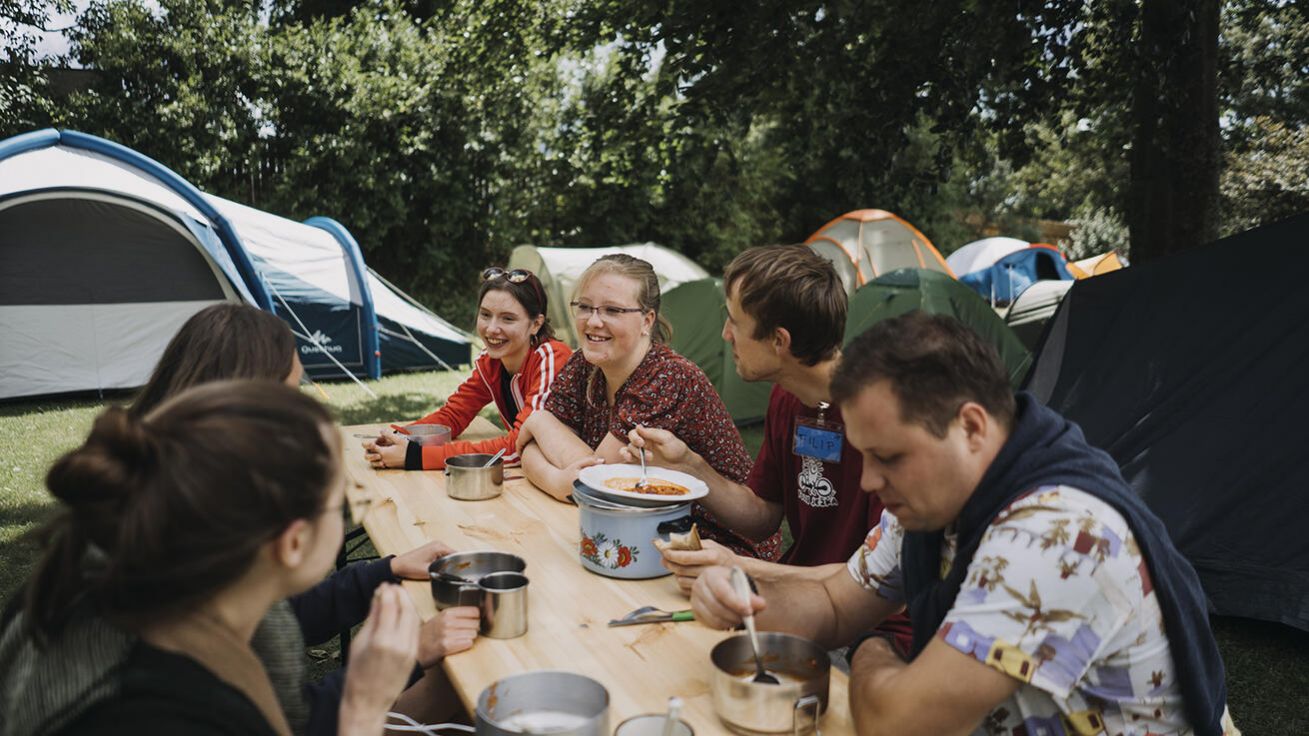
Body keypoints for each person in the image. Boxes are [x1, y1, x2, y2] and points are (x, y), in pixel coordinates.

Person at [690, 312, 1239, 736]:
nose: (870, 481)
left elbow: (896, 724)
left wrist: (871, 648)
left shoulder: (1054, 540)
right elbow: (835, 605)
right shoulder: (934, 501)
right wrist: (745, 599)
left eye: (889, 457)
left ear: (971, 427)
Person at [125, 303, 479, 735]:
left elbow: (281, 615)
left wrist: (385, 571)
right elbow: (294, 724)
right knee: (458, 693)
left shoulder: (175, 504)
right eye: (292, 396)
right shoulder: (191, 558)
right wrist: (397, 662)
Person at [0, 381, 419, 735]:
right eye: (346, 498)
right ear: (293, 543)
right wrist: (362, 710)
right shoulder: (156, 709)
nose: (355, 504)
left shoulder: (129, 587)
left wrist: (383, 573)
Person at [516, 253, 780, 560]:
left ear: (647, 320)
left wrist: (538, 422)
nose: (593, 321)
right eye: (585, 307)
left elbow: (600, 484)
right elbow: (534, 451)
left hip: (714, 545)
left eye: (612, 310)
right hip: (637, 531)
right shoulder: (583, 364)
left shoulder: (668, 377)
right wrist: (558, 480)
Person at [363, 267, 570, 470]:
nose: (492, 328)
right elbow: (454, 415)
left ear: (535, 324)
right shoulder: (491, 362)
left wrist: (415, 456)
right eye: (485, 315)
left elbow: (518, 446)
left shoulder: (551, 358)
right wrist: (398, 438)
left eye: (508, 318)